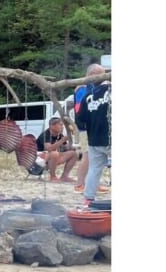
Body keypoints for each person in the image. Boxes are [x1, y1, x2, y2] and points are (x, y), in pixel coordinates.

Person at [76, 63, 111, 206]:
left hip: (94, 139)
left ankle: (88, 199)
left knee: (94, 169)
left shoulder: (87, 96)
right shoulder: (112, 91)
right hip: (110, 137)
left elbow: (80, 120)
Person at [35, 117, 78, 182]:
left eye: (62, 125)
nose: (62, 127)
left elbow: (64, 147)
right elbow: (49, 148)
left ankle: (64, 176)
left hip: (53, 157)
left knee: (74, 153)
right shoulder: (46, 134)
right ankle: (53, 177)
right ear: (52, 126)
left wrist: (71, 146)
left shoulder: (59, 135)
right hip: (40, 158)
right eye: (60, 125)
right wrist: (62, 140)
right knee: (54, 153)